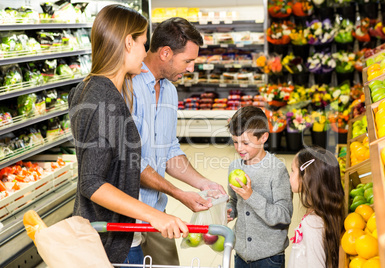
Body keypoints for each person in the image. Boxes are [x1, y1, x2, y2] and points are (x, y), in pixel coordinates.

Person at [68, 5, 189, 265]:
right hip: (111, 241)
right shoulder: (103, 98)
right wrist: (154, 215)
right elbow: (92, 182)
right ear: (127, 43)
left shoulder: (95, 89)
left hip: (114, 235)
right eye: (144, 43)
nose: (146, 52)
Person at [131, 17, 226, 265]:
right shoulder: (127, 87)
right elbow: (131, 162)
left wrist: (204, 183)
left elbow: (169, 151)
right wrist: (178, 193)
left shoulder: (170, 91)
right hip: (127, 214)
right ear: (165, 53)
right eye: (188, 61)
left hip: (157, 212)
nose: (191, 68)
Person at [226, 106, 293, 268]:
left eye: (245, 142)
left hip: (269, 258)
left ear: (263, 137)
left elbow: (284, 216)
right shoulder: (235, 167)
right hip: (241, 254)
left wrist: (251, 196)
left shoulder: (276, 170)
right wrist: (229, 210)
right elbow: (234, 201)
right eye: (235, 142)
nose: (239, 148)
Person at [288, 146, 345, 268]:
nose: (290, 175)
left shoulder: (312, 223)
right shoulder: (320, 213)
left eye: (292, 171)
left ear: (307, 176)